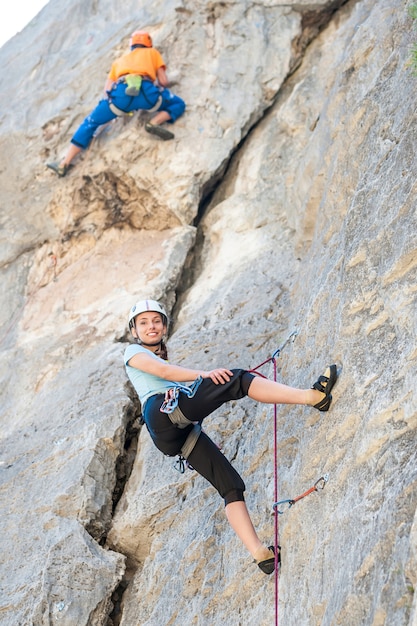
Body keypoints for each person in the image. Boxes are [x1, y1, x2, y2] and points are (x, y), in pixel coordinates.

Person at [124, 299, 339, 575]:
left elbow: (168, 376)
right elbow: (163, 371)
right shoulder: (133, 352)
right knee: (235, 379)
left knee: (230, 486)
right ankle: (312, 397)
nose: (151, 326)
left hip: (175, 435)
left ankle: (261, 554)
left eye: (156, 321)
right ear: (134, 331)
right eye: (144, 322)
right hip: (161, 411)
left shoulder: (157, 363)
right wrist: (205, 375)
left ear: (164, 327)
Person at [47, 31, 185, 177]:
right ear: (148, 43)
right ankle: (154, 122)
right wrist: (170, 82)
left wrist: (111, 112)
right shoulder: (152, 52)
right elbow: (163, 81)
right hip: (147, 95)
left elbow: (106, 92)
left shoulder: (118, 62)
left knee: (90, 122)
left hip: (120, 98)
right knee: (178, 103)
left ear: (132, 44)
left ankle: (64, 164)